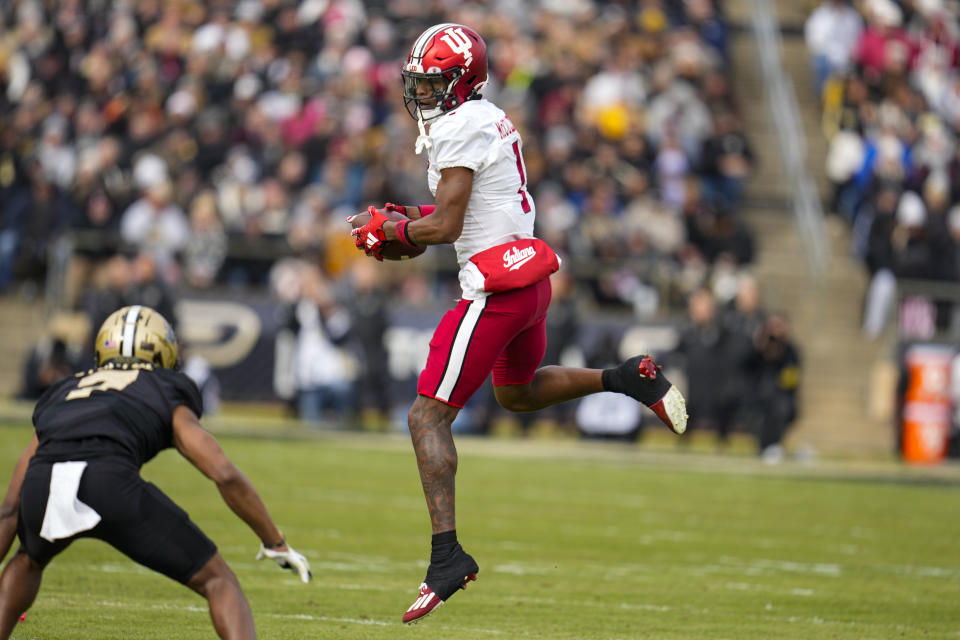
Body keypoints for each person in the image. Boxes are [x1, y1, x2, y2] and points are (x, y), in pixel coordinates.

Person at [349, 23, 688, 625]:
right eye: (418, 83)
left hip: (495, 289)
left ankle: (446, 557)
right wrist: (407, 218)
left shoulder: (460, 126)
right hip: (530, 283)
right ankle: (625, 379)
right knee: (518, 394)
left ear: (461, 82)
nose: (421, 95)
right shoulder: (485, 118)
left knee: (427, 414)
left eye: (431, 83)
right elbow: (478, 207)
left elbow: (450, 226)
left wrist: (397, 230)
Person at [0, 306, 311, 640]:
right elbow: (223, 472)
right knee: (219, 581)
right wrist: (273, 541)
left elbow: (10, 508)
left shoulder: (64, 391)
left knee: (28, 559)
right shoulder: (164, 386)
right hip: (109, 481)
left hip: (42, 483)